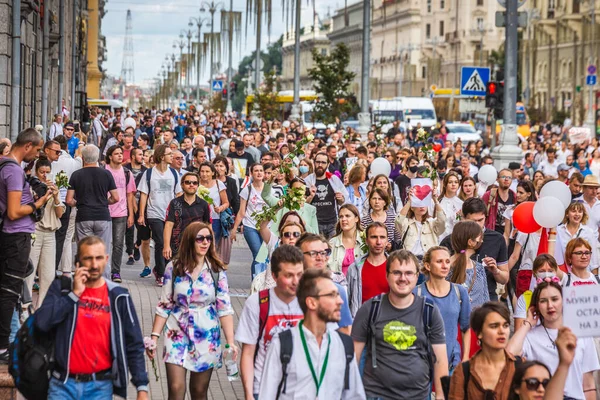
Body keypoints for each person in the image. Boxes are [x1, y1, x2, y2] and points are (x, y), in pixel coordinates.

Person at [35, 236, 149, 399]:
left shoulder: (118, 296)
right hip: (62, 385)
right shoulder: (62, 288)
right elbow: (42, 323)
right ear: (78, 262)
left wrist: (141, 386)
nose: (94, 265)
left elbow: (134, 343)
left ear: (106, 259)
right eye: (88, 258)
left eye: (99, 258)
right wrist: (74, 295)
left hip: (99, 387)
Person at [148, 222, 236, 399]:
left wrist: (231, 342)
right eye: (200, 238)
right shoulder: (174, 267)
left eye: (208, 239)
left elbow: (224, 308)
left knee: (198, 391)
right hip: (176, 333)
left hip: (206, 335)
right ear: (190, 240)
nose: (205, 243)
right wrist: (154, 337)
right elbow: (164, 304)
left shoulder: (216, 270)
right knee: (176, 388)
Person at [352, 250, 448, 400]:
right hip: (376, 395)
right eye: (397, 272)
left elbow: (440, 359)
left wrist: (441, 396)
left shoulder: (429, 311)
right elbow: (354, 356)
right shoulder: (370, 309)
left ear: (417, 276)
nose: (403, 278)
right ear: (387, 275)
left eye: (409, 273)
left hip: (418, 395)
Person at [258, 268, 366, 400]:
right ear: (311, 302)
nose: (340, 301)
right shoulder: (283, 344)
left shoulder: (344, 345)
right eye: (332, 295)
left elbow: (354, 395)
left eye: (338, 295)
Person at [506, 280, 599, 399]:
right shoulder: (530, 336)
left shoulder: (581, 334)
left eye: (555, 299)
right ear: (536, 306)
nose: (550, 305)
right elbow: (509, 354)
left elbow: (588, 384)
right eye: (543, 301)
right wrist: (528, 322)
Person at [236, 245, 305, 400]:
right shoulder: (257, 303)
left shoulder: (310, 302)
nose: (296, 281)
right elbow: (247, 353)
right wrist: (248, 393)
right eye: (288, 275)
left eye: (299, 275)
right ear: (274, 276)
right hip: (264, 388)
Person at [65, 145, 119, 280]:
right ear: (98, 158)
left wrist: (78, 203)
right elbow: (116, 197)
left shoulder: (76, 175)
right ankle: (103, 284)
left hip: (84, 216)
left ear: (83, 158)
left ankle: (85, 282)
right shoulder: (106, 174)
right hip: (102, 216)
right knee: (103, 251)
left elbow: (68, 199)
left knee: (84, 252)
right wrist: (105, 202)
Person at [440, 197, 509, 301]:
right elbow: (440, 275)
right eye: (472, 221)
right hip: (456, 298)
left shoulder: (497, 239)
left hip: (488, 296)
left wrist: (496, 271)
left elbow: (505, 278)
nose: (477, 225)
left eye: (480, 220)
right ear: (463, 218)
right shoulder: (450, 240)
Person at [416, 246, 471, 372]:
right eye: (439, 261)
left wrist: (466, 357)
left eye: (447, 261)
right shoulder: (416, 293)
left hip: (452, 361)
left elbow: (466, 327)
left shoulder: (459, 292)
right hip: (422, 363)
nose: (445, 265)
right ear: (428, 266)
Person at [448, 302, 519, 400]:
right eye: (494, 326)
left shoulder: (518, 366)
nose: (502, 331)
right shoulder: (464, 371)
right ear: (479, 332)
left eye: (505, 325)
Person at [137, 144, 182, 287]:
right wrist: (141, 214)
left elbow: (179, 193)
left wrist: (180, 213)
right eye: (170, 154)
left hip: (170, 213)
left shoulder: (174, 173)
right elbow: (144, 194)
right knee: (161, 242)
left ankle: (161, 269)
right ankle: (162, 274)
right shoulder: (149, 173)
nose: (172, 156)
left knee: (171, 243)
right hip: (154, 212)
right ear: (162, 156)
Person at [24, 159, 65, 308]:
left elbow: (60, 214)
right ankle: (26, 306)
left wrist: (55, 197)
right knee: (30, 271)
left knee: (48, 274)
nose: (45, 176)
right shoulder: (30, 187)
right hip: (34, 231)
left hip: (50, 233)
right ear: (36, 171)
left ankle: (42, 308)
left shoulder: (53, 187)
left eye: (48, 172)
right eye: (42, 172)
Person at [295, 233, 353, 333]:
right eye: (313, 253)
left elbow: (345, 330)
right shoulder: (290, 291)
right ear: (299, 257)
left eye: (323, 253)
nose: (320, 258)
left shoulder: (337, 291)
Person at [449, 220, 500, 308]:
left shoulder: (444, 267)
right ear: (471, 242)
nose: (482, 241)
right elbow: (485, 299)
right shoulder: (478, 268)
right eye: (480, 239)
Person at [104, 145, 136, 283]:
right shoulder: (104, 171)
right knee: (103, 243)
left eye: (121, 153)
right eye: (116, 153)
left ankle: (115, 272)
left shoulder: (127, 173)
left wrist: (131, 215)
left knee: (118, 244)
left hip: (121, 213)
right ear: (110, 156)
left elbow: (130, 195)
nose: (119, 156)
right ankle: (102, 270)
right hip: (104, 211)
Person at [163, 172, 211, 260]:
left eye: (194, 183)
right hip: (177, 246)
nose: (191, 185)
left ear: (198, 185)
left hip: (197, 246)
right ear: (182, 185)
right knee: (177, 272)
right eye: (188, 182)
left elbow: (208, 226)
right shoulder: (174, 203)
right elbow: (168, 225)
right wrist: (166, 246)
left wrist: (210, 247)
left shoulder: (203, 204)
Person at [232, 163, 267, 278]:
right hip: (250, 225)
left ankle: (262, 281)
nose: (259, 173)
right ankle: (256, 283)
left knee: (265, 255)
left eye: (261, 170)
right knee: (258, 254)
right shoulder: (247, 189)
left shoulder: (269, 188)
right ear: (251, 173)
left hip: (266, 227)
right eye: (256, 170)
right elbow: (242, 212)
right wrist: (234, 229)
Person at [251, 219, 305, 293]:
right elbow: (262, 227)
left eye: (296, 234)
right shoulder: (274, 244)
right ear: (281, 237)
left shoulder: (306, 252)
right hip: (270, 292)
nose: (291, 237)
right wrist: (277, 207)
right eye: (287, 234)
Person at [346, 222, 389, 317]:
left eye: (382, 237)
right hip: (362, 323)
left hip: (388, 323)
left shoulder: (395, 267)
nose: (378, 242)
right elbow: (348, 300)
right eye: (374, 237)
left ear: (387, 241)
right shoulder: (354, 268)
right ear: (366, 241)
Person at [305, 152, 349, 239]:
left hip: (332, 223)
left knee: (333, 249)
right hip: (315, 223)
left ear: (328, 164)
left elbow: (343, 201)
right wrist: (310, 196)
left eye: (323, 162)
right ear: (314, 163)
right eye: (318, 162)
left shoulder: (333, 179)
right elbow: (303, 204)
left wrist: (340, 198)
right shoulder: (308, 181)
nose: (320, 165)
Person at [396, 186, 446, 260]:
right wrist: (409, 201)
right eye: (418, 204)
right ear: (412, 208)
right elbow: (398, 220)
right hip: (410, 260)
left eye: (424, 203)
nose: (422, 206)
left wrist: (435, 200)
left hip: (428, 260)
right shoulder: (407, 223)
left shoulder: (432, 223)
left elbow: (442, 220)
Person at [554, 203, 599, 270]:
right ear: (567, 214)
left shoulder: (589, 232)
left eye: (580, 211)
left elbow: (594, 260)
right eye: (573, 211)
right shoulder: (558, 231)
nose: (577, 214)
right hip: (563, 272)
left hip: (583, 273)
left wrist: (595, 277)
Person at [329, 204, 365, 276]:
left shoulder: (365, 240)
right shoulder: (332, 243)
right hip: (340, 284)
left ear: (356, 219)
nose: (343, 219)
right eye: (341, 217)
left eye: (347, 216)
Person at [199, 161, 229, 244]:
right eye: (202, 171)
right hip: (197, 219)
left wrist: (220, 208)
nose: (204, 174)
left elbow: (226, 203)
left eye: (207, 171)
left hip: (214, 219)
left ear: (212, 173)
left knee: (212, 246)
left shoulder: (218, 184)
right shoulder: (195, 184)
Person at [482, 168, 516, 234]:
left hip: (509, 233)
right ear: (497, 179)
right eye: (503, 177)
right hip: (492, 233)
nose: (506, 179)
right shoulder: (489, 195)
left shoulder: (515, 196)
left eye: (509, 177)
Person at [438, 171, 463, 242]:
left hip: (454, 239)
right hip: (438, 238)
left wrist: (457, 217)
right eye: (450, 182)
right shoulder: (438, 201)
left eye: (456, 182)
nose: (453, 184)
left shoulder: (461, 204)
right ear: (445, 184)